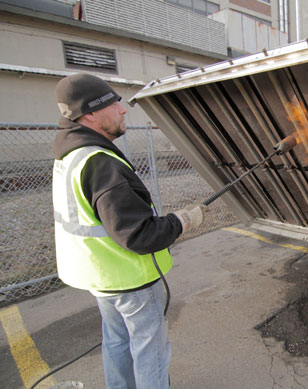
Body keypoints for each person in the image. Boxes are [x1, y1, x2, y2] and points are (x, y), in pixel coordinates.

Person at [52, 73, 207, 387]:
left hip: (101, 276)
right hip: (129, 280)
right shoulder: (100, 163)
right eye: (113, 103)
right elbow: (139, 235)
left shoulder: (72, 155)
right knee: (150, 351)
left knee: (117, 342)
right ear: (91, 113)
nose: (123, 110)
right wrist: (183, 221)